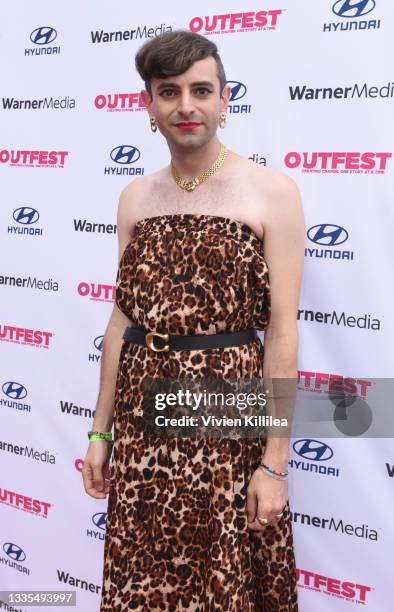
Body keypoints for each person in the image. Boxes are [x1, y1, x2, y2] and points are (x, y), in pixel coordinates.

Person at [82, 29, 304, 611]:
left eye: (201, 90)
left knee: (225, 577)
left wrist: (274, 463)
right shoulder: (135, 197)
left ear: (224, 99)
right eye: (168, 92)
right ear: (148, 105)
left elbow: (281, 333)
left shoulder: (271, 192)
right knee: (146, 577)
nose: (186, 106)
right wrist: (100, 431)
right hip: (140, 419)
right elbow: (120, 318)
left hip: (227, 416)